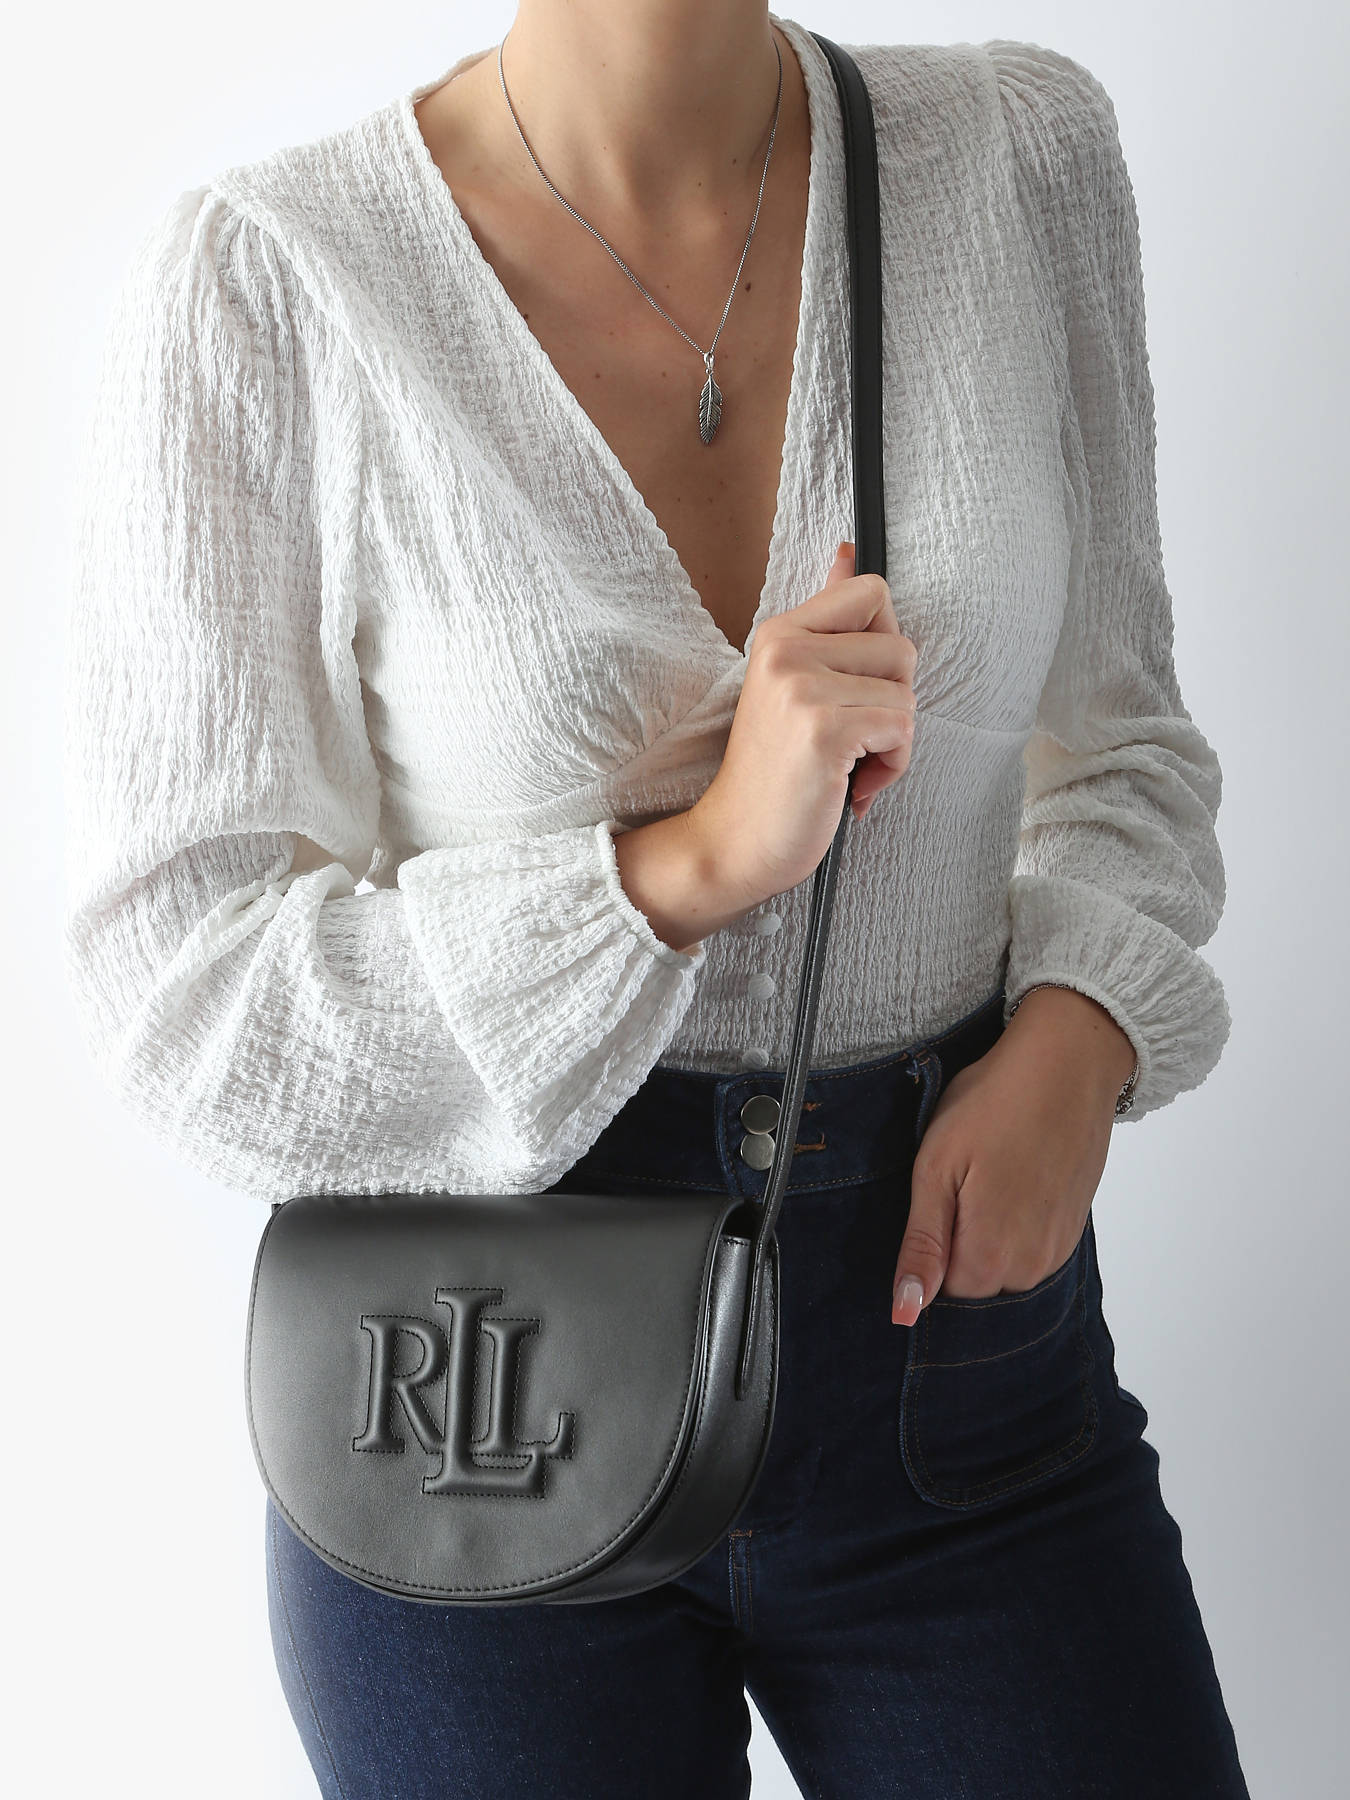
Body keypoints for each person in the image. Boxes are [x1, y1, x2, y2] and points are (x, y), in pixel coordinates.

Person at [62, 4, 1251, 1795]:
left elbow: (1127, 746)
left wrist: (1079, 1040)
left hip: (958, 1357)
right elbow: (185, 999)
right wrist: (683, 869)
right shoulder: (271, 282)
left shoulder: (1017, 157)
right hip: (481, 1403)